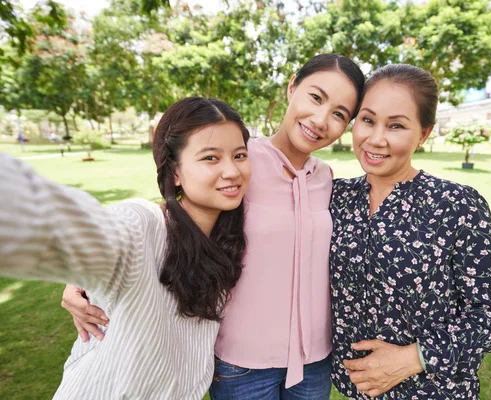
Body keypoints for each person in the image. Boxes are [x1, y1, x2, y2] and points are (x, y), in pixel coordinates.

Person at [61, 53, 365, 399]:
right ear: (292, 87)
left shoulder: (324, 178)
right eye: (315, 96)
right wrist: (79, 277)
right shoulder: (238, 158)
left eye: (340, 114)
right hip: (243, 363)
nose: (321, 118)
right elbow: (170, 214)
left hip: (313, 362)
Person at [0, 97, 251, 399]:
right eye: (210, 158)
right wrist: (76, 271)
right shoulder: (143, 224)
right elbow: (73, 231)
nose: (232, 171)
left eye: (239, 155)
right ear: (174, 172)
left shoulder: (226, 241)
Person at [329, 64, 491, 399]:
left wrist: (414, 357)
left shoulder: (457, 205)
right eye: (368, 120)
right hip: (352, 391)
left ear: (424, 133)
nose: (376, 138)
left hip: (432, 391)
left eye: (397, 125)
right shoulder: (336, 198)